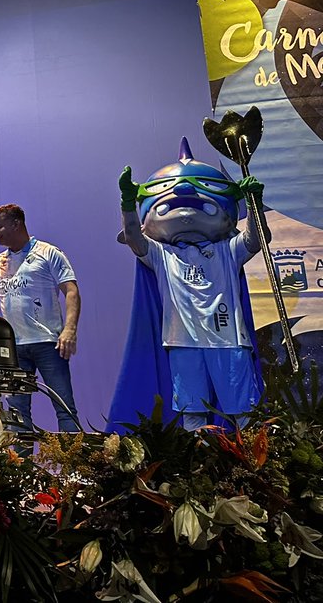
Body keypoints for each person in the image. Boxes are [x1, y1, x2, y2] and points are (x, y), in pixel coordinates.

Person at [114, 141, 267, 430]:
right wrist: (127, 204)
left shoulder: (227, 250)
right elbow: (135, 238)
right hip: (182, 341)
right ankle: (200, 469)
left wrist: (253, 204)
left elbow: (256, 240)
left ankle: (252, 468)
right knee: (192, 414)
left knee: (243, 414)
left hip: (228, 339)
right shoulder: (163, 255)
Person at [0, 204, 81, 433]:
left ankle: (74, 466)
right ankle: (20, 466)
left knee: (63, 406)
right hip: (13, 349)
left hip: (48, 343)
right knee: (16, 412)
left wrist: (69, 330)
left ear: (16, 223)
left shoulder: (48, 252)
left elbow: (71, 290)